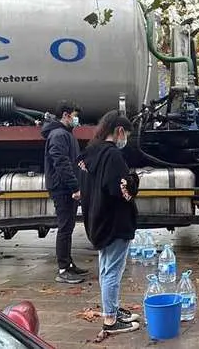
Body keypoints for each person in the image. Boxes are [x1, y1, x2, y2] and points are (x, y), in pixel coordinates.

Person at [76, 110, 141, 334]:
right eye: (127, 136)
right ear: (119, 131)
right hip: (115, 222)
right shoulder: (112, 155)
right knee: (113, 270)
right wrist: (134, 180)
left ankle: (110, 308)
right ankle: (111, 321)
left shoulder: (90, 153)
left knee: (106, 268)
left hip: (97, 219)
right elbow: (121, 189)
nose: (126, 141)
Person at [42, 100, 88, 284]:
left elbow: (71, 161)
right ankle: (62, 269)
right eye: (75, 116)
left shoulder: (65, 134)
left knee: (68, 227)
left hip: (65, 187)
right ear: (66, 115)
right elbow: (61, 162)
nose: (77, 120)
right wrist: (74, 187)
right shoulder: (59, 134)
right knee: (64, 227)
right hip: (63, 188)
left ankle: (68, 264)